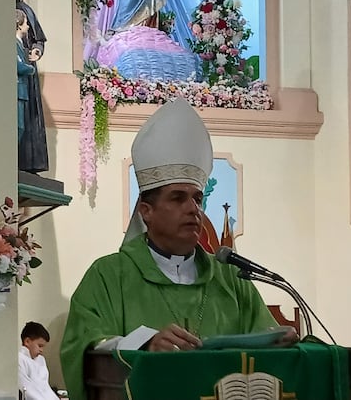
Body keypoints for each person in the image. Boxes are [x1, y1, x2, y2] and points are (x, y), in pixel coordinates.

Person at [60, 98, 288, 400]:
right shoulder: (108, 275)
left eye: (197, 198)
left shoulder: (231, 278)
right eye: (178, 198)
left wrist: (281, 341)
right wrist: (144, 343)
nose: (194, 209)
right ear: (146, 211)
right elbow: (84, 345)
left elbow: (267, 342)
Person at [15, 0, 49, 173]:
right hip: (14, 69)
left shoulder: (27, 11)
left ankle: (28, 164)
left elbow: (39, 40)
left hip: (27, 70)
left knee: (27, 119)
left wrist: (36, 50)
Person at [18, 321, 59, 400]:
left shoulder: (41, 360)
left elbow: (45, 387)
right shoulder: (20, 359)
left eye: (43, 347)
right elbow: (26, 388)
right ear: (27, 341)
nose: (42, 350)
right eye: (40, 346)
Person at [16, 9, 35, 143]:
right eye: (26, 23)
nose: (28, 26)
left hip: (21, 92)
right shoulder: (14, 43)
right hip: (17, 91)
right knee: (18, 127)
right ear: (19, 25)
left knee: (20, 128)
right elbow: (17, 65)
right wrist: (31, 68)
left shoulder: (19, 44)